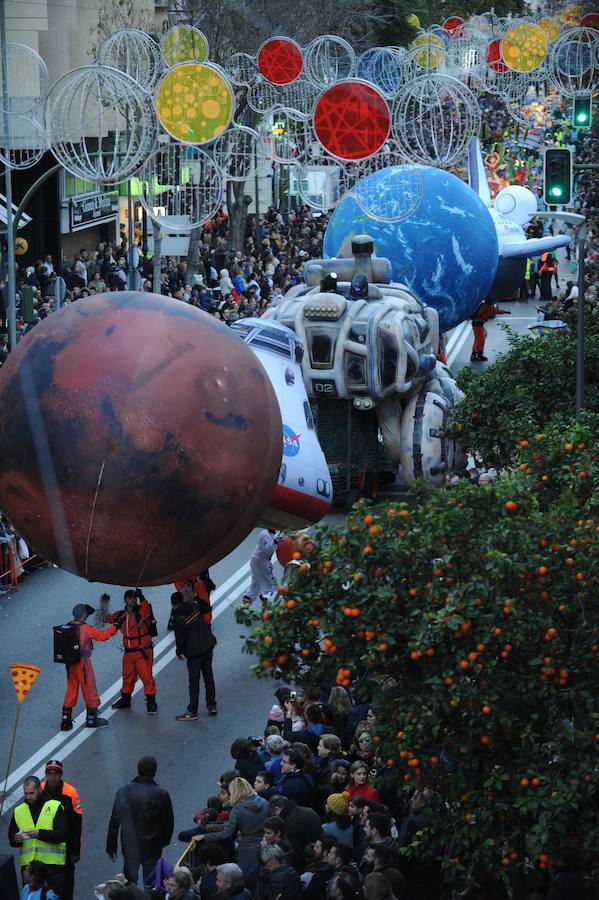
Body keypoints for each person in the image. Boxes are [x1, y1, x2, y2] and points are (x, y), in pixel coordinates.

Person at [106, 755, 174, 889]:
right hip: (152, 846)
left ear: (138, 770)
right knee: (150, 885)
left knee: (130, 884)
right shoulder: (161, 794)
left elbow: (114, 821)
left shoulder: (123, 791)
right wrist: (163, 842)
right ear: (154, 772)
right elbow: (168, 822)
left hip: (130, 845)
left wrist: (111, 845)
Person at [60, 602, 118, 731]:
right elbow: (102, 636)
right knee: (89, 689)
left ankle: (65, 721)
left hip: (70, 664)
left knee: (71, 689)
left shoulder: (68, 625)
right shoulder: (85, 628)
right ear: (84, 615)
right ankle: (91, 720)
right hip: (82, 663)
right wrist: (115, 627)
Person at [8, 776, 67, 896]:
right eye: (25, 793)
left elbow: (62, 834)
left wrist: (39, 834)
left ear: (40, 789)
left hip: (52, 868)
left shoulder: (55, 807)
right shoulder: (18, 811)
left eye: (31, 793)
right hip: (29, 870)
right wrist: (16, 840)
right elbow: (12, 840)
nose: (28, 797)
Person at [193, 777, 269, 870]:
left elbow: (227, 832)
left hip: (247, 848)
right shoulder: (264, 802)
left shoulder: (237, 809)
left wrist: (205, 837)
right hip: (265, 844)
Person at [106, 588, 158, 714]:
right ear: (125, 599)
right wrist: (101, 607)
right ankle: (125, 700)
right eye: (130, 598)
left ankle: (151, 703)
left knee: (146, 677)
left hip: (142, 652)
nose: (133, 601)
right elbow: (108, 619)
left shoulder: (142, 611)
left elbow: (146, 609)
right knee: (127, 677)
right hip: (129, 653)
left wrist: (143, 597)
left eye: (134, 598)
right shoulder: (121, 614)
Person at [171, 590, 217, 720]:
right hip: (207, 647)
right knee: (208, 676)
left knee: (194, 682)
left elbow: (179, 639)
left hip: (194, 653)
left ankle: (192, 711)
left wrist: (179, 652)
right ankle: (212, 705)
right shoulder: (195, 606)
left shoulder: (177, 618)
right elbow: (208, 608)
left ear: (173, 604)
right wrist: (195, 596)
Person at [40, 760, 82, 900]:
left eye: (56, 773)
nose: (52, 776)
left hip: (65, 849)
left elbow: (77, 824)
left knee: (66, 888)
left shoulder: (70, 792)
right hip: (44, 847)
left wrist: (76, 851)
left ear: (60, 775)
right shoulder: (39, 790)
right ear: (46, 774)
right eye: (50, 773)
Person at [242, 529, 279, 605]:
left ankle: (246, 601)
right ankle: (268, 602)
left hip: (257, 560)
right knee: (269, 584)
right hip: (261, 562)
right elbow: (268, 550)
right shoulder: (266, 535)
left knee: (256, 584)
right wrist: (275, 542)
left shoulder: (270, 532)